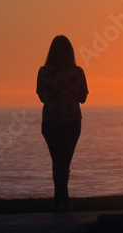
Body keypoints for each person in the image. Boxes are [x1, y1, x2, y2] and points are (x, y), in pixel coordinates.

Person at [37, 35, 89, 211]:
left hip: (51, 122)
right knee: (65, 162)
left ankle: (60, 199)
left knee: (57, 161)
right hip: (71, 122)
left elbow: (42, 97)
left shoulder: (43, 72)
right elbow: (83, 98)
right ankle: (64, 200)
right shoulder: (77, 72)